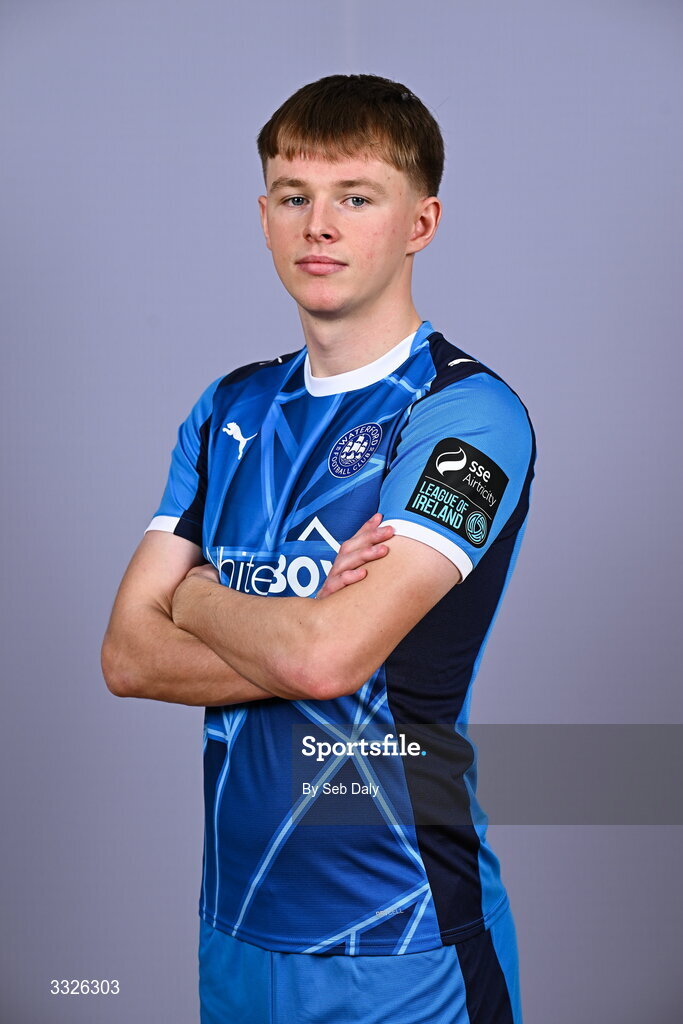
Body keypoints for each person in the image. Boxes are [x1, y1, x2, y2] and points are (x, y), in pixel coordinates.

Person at [102, 73, 535, 1024]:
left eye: (356, 198)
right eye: (294, 197)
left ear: (420, 223)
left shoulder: (465, 416)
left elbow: (326, 659)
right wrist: (305, 629)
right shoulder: (228, 407)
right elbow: (127, 657)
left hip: (400, 935)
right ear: (263, 218)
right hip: (235, 929)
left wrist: (197, 597)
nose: (319, 227)